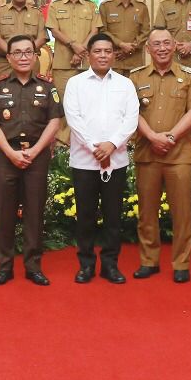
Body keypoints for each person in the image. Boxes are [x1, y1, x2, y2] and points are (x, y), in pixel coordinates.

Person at [0, 35, 63, 285]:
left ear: (36, 56)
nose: (24, 57)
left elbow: (55, 121)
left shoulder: (48, 87)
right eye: (17, 53)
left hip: (36, 156)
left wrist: (37, 149)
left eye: (29, 52)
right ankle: (4, 267)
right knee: (5, 213)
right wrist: (10, 152)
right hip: (7, 155)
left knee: (34, 212)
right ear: (8, 58)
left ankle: (33, 266)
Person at [130, 28, 191, 283]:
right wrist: (152, 136)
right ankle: (149, 260)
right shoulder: (135, 77)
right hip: (147, 154)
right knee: (147, 213)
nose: (161, 48)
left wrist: (170, 137)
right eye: (156, 44)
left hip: (179, 155)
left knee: (182, 213)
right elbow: (130, 112)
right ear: (148, 49)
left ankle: (181, 263)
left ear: (174, 46)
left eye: (166, 43)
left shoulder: (189, 77)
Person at [62, 33, 137, 284]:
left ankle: (110, 265)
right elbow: (73, 119)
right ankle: (85, 265)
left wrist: (112, 144)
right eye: (98, 51)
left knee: (114, 216)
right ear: (88, 54)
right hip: (84, 160)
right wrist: (95, 146)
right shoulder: (76, 83)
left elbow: (131, 119)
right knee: (85, 215)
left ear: (114, 54)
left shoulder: (126, 84)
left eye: (108, 51)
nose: (103, 55)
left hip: (116, 161)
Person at [46, 0, 102, 143]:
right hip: (64, 64)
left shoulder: (91, 6)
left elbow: (95, 30)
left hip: (87, 63)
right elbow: (54, 31)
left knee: (87, 105)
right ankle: (63, 144)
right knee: (63, 104)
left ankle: (86, 142)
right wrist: (73, 45)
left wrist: (81, 49)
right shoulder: (55, 6)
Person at [0, 0, 47, 80]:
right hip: (6, 63)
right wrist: (14, 55)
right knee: (6, 94)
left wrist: (26, 54)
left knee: (31, 94)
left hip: (30, 63)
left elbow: (42, 37)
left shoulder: (37, 13)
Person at [99, 0, 151, 74]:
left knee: (134, 90)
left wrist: (130, 49)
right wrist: (121, 45)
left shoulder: (141, 7)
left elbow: (145, 32)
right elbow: (102, 31)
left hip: (135, 62)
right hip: (113, 60)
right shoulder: (106, 6)